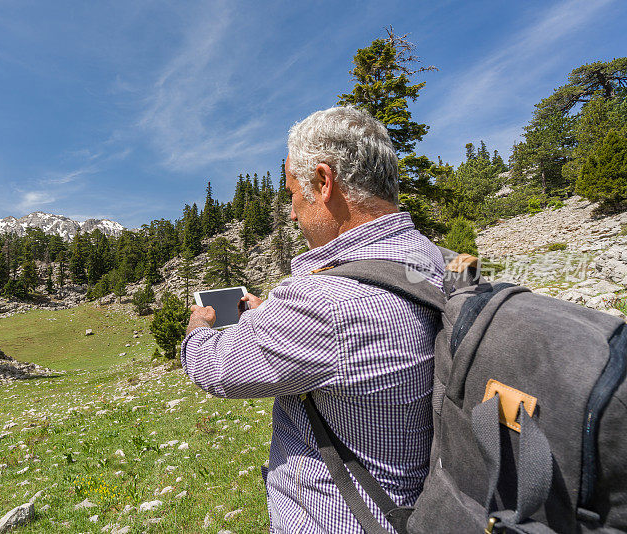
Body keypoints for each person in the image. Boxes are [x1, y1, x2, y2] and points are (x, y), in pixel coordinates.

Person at [181, 106, 444, 533]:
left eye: (291, 193)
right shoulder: (430, 257)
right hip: (409, 505)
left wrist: (199, 327)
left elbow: (216, 368)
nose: (291, 212)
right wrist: (270, 315)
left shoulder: (325, 301)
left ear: (323, 182)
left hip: (339, 518)